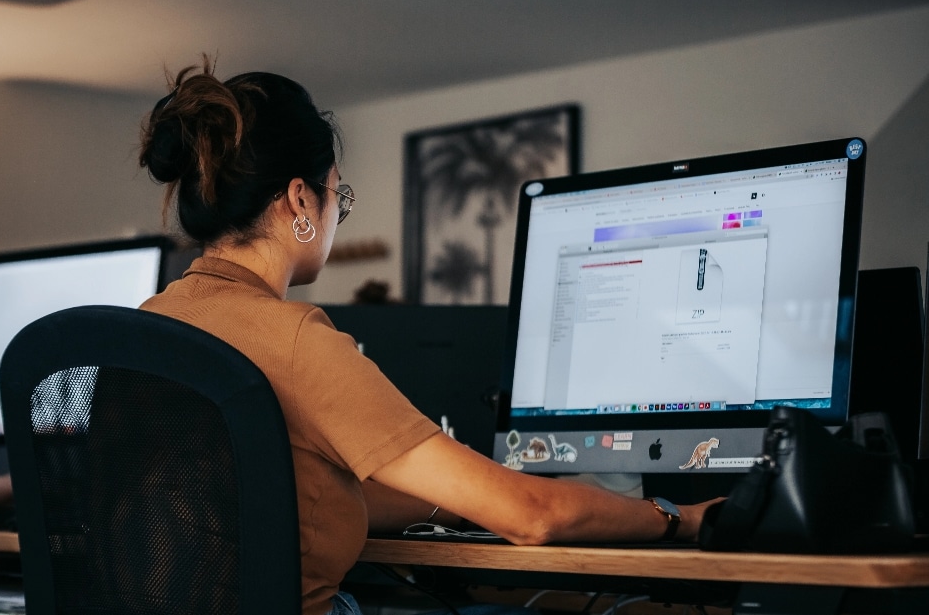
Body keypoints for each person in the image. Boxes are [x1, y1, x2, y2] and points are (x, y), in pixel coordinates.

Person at [137, 56, 720, 615]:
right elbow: (532, 516)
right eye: (338, 195)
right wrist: (681, 519)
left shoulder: (144, 327)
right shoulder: (294, 340)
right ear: (299, 200)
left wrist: (464, 506)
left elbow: (260, 503)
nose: (337, 215)